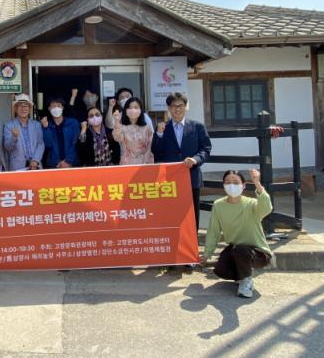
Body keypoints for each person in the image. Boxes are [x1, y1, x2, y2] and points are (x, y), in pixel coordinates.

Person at [200, 169, 272, 298]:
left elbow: (266, 208)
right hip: (235, 249)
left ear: (243, 185)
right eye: (228, 182)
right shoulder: (218, 205)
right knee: (221, 270)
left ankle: (246, 282)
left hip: (259, 253)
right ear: (223, 185)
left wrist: (257, 184)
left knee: (241, 250)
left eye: (236, 182)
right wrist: (207, 254)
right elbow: (214, 231)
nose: (231, 185)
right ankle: (242, 275)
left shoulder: (251, 204)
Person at [152, 92, 212, 231]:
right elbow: (156, 152)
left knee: (192, 213)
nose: (177, 109)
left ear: (186, 107)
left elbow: (206, 149)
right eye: (174, 106)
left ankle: (193, 241)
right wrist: (159, 134)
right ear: (169, 108)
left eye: (180, 105)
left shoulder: (197, 126)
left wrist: (195, 159)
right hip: (169, 179)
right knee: (172, 212)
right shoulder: (163, 128)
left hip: (191, 176)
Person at [4, 94, 45, 171]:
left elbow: (40, 144)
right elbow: (7, 147)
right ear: (15, 109)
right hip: (17, 167)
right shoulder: (9, 125)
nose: (23, 108)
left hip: (35, 166)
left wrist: (35, 160)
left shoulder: (36, 125)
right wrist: (14, 137)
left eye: (26, 106)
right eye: (20, 106)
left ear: (29, 109)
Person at [112, 97, 154, 165]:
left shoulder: (147, 128)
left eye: (136, 107)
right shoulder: (122, 128)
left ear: (141, 110)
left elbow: (149, 147)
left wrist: (145, 162)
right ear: (125, 110)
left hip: (144, 163)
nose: (133, 110)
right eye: (130, 107)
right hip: (126, 164)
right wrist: (117, 121)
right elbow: (117, 138)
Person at [41, 96, 80, 168]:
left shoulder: (73, 123)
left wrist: (68, 161)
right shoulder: (47, 125)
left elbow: (76, 143)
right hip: (54, 164)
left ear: (63, 108)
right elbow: (48, 144)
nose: (56, 108)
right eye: (53, 106)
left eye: (59, 105)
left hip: (72, 164)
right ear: (49, 108)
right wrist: (46, 128)